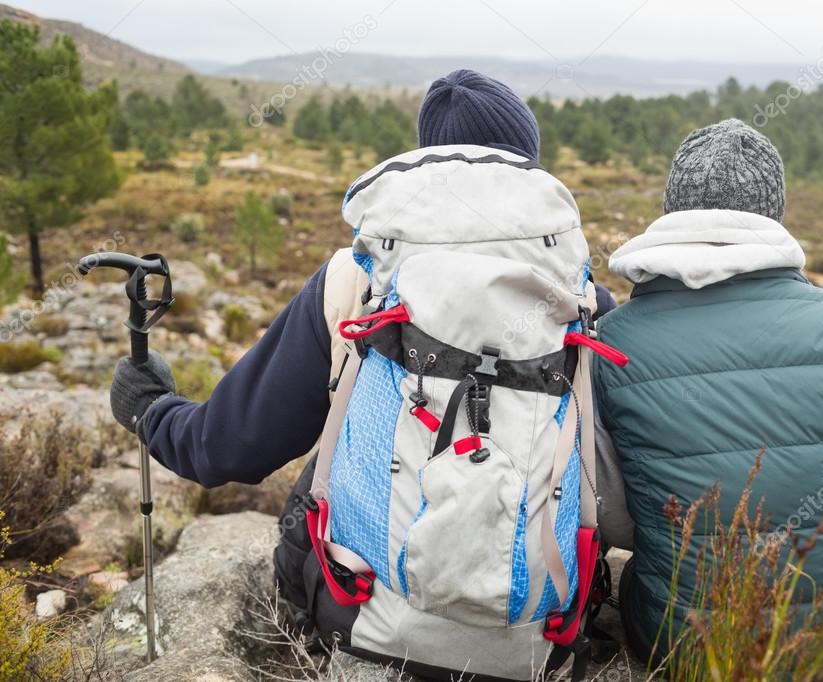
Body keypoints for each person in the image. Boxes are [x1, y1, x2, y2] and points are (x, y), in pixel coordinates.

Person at [108, 69, 617, 679]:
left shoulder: (355, 281)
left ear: (424, 161)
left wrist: (150, 409)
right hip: (536, 639)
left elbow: (229, 450)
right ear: (526, 168)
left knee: (332, 442)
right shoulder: (580, 301)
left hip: (362, 622)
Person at [592, 119, 823, 670]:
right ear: (772, 211)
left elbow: (617, 524)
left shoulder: (609, 344)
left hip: (682, 645)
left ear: (671, 209)